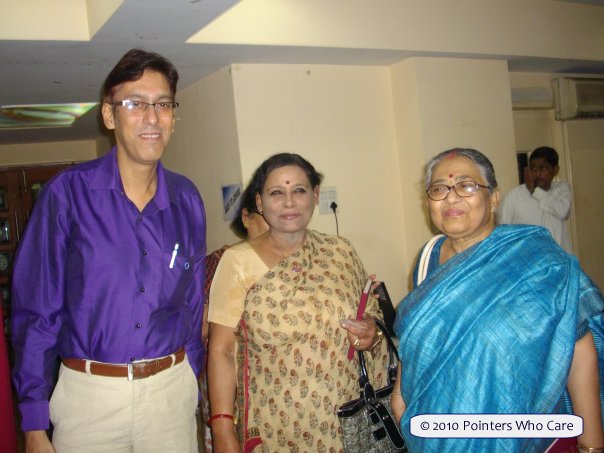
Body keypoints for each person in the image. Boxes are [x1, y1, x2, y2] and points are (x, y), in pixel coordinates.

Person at [11, 48, 206, 452]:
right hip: (89, 400)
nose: (152, 117)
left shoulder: (186, 199)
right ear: (109, 115)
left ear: (173, 116)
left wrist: (190, 370)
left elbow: (191, 299)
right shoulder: (67, 195)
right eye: (135, 103)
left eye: (163, 104)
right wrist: (33, 421)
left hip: (170, 396)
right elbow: (37, 309)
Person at [391, 148, 604, 452]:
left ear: (493, 198)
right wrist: (400, 398)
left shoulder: (537, 260)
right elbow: (417, 336)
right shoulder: (427, 257)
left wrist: (591, 445)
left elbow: (579, 350)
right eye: (439, 189)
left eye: (465, 186)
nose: (450, 198)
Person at [207, 153, 388, 452]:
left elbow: (373, 317)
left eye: (299, 190)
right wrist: (223, 428)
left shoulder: (340, 252)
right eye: (276, 192)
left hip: (349, 420)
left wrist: (373, 335)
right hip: (277, 426)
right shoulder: (237, 262)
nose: (289, 202)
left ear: (315, 196)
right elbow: (221, 350)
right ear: (260, 202)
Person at [198, 185, 269, 452]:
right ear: (246, 218)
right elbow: (198, 332)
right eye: (266, 216)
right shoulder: (219, 263)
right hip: (230, 388)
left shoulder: (291, 265)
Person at [498, 146, 573, 253]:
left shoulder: (561, 189)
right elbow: (501, 232)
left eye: (543, 168)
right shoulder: (515, 196)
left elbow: (562, 211)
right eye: (533, 169)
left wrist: (534, 191)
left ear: (555, 170)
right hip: (529, 260)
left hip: (560, 258)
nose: (537, 174)